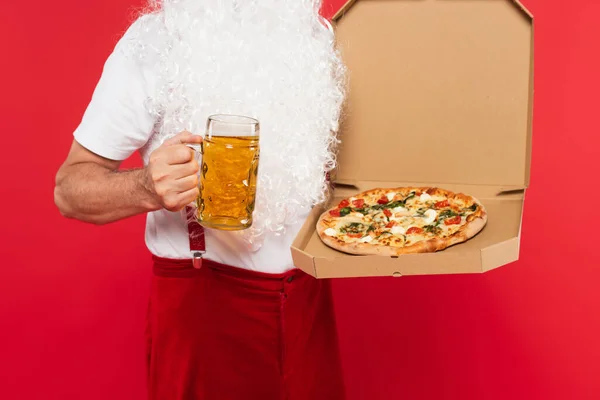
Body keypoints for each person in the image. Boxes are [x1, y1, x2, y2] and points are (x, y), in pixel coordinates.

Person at [54, 0, 347, 399]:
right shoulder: (154, 42)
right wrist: (144, 187)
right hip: (204, 311)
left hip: (310, 309)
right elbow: (69, 189)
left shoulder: (319, 40)